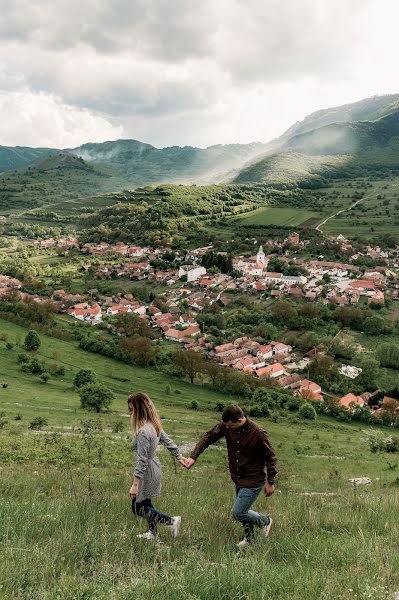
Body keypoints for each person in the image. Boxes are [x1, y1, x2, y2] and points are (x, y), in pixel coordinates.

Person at [184, 404, 277, 548]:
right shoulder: (226, 425)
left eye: (230, 426)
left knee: (238, 513)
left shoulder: (258, 433)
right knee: (244, 511)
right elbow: (208, 437)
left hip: (253, 480)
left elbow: (270, 456)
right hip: (237, 477)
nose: (227, 428)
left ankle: (265, 521)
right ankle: (249, 540)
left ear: (240, 420)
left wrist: (270, 481)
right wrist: (193, 457)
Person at [128, 392, 186, 541]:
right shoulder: (154, 425)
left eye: (132, 410)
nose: (130, 413)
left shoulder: (143, 431)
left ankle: (171, 522)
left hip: (147, 470)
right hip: (154, 467)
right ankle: (152, 533)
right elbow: (168, 441)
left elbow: (142, 459)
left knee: (137, 507)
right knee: (146, 502)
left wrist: (135, 484)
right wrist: (179, 456)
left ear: (139, 410)